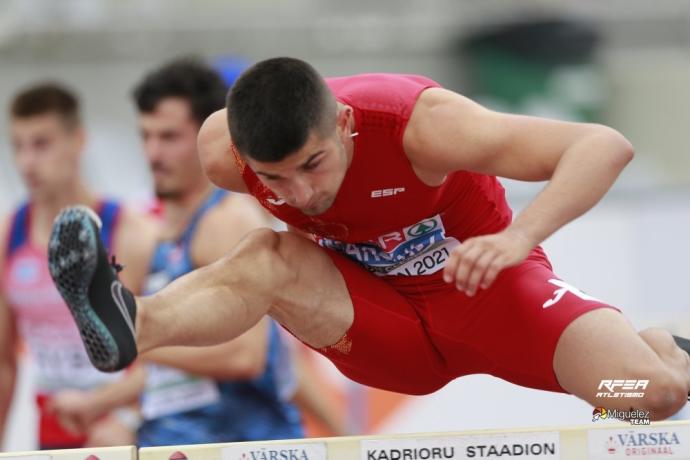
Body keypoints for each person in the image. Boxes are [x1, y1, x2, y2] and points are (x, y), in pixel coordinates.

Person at [48, 57, 690, 422]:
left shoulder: (422, 126)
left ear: (347, 126)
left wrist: (519, 237)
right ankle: (136, 323)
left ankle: (666, 349)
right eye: (274, 179)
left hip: (488, 290)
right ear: (243, 157)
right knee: (267, 256)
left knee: (646, 397)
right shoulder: (222, 156)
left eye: (313, 165)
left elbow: (603, 145)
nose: (299, 194)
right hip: (376, 323)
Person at [46, 59, 344, 446]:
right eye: (145, 136)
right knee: (105, 437)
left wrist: (135, 338)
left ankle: (132, 325)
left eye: (169, 137)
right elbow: (166, 374)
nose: (153, 154)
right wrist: (100, 402)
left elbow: (245, 357)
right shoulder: (153, 232)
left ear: (207, 140)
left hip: (235, 442)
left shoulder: (227, 222)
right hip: (171, 437)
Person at [0, 82, 156, 449]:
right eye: (17, 146)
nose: (27, 162)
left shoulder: (130, 231)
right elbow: (4, 361)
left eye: (41, 143)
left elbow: (167, 354)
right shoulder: (9, 234)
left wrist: (125, 417)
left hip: (119, 427)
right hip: (52, 426)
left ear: (78, 141)